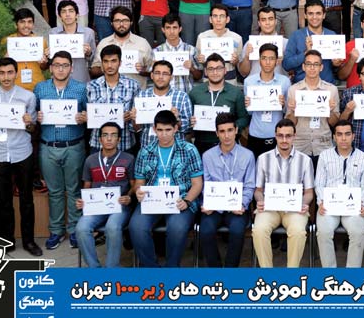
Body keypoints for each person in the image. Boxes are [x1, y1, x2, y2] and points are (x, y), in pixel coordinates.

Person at [0, 58, 41, 256]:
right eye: (2, 73)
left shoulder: (28, 97)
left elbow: (32, 129)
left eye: (9, 72)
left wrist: (29, 122)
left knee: (26, 199)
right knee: (3, 200)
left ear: (16, 73)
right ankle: (7, 241)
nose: (6, 77)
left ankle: (29, 241)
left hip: (22, 152)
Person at [130, 110, 203, 267]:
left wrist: (187, 201)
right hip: (152, 200)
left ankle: (172, 268)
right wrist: (138, 191)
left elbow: (197, 183)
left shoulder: (189, 150)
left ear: (176, 128)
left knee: (177, 228)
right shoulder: (145, 152)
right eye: (160, 130)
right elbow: (139, 182)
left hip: (180, 200)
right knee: (136, 227)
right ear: (154, 129)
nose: (164, 134)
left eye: (168, 130)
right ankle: (152, 269)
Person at [34, 50, 88, 250]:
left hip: (73, 146)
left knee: (74, 190)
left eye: (65, 65)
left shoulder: (81, 89)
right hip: (48, 146)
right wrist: (36, 117)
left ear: (71, 68)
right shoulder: (40, 88)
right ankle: (56, 231)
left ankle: (74, 229)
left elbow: (90, 114)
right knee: (54, 191)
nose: (61, 69)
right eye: (57, 65)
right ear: (50, 68)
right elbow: (31, 115)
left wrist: (85, 117)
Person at [252, 119, 315, 268]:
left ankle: (291, 273)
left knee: (298, 231)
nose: (284, 140)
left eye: (288, 136)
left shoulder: (305, 160)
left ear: (294, 136)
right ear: (275, 136)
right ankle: (267, 273)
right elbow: (258, 190)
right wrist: (260, 200)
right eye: (280, 135)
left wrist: (304, 203)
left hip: (294, 209)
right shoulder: (263, 158)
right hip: (270, 208)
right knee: (259, 230)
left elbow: (309, 192)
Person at [75, 122, 135, 267]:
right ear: (100, 139)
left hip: (119, 206)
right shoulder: (90, 160)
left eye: (113, 135)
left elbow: (134, 185)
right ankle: (94, 268)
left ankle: (111, 269)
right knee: (81, 228)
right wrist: (83, 201)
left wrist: (129, 197)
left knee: (112, 227)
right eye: (105, 135)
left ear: (119, 139)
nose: (109, 138)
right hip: (97, 206)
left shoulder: (128, 159)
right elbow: (87, 186)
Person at [200, 113, 256, 267]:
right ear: (216, 133)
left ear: (236, 130)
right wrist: (209, 203)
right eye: (222, 131)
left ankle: (230, 271)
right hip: (215, 208)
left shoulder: (247, 155)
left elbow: (249, 185)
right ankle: (216, 271)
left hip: (237, 206)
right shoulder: (207, 156)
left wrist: (242, 204)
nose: (226, 135)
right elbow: (205, 185)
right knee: (205, 230)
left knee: (237, 231)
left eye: (230, 130)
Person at [314, 120, 364, 267]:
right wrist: (321, 202)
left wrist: (362, 203)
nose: (343, 138)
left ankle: (351, 274)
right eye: (339, 134)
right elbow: (319, 183)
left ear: (353, 136)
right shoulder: (324, 156)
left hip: (353, 207)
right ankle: (330, 273)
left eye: (347, 134)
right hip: (329, 206)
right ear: (334, 137)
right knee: (324, 232)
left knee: (358, 233)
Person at [285, 49, 340, 168]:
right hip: (300, 145)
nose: (312, 68)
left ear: (321, 67)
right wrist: (293, 110)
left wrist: (330, 110)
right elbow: (290, 124)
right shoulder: (294, 90)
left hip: (323, 145)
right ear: (303, 67)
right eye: (309, 64)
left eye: (316, 64)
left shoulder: (331, 90)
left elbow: (334, 123)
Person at [189, 53, 249, 156]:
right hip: (202, 143)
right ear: (206, 72)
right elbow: (188, 118)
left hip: (228, 143)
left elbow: (244, 118)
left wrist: (231, 127)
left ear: (225, 70)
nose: (215, 72)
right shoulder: (195, 92)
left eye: (219, 68)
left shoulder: (236, 93)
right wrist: (191, 121)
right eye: (211, 69)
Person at [87, 44, 140, 154]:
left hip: (125, 144)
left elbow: (137, 124)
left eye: (113, 61)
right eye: (106, 61)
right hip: (98, 145)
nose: (109, 65)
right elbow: (87, 117)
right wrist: (86, 117)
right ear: (101, 63)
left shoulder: (133, 85)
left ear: (120, 63)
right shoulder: (91, 86)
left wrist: (132, 118)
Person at [243, 43, 291, 157]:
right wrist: (248, 105)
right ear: (259, 60)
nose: (268, 62)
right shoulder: (249, 81)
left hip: (277, 134)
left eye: (271, 58)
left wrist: (283, 104)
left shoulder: (284, 81)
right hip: (255, 133)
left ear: (277, 61)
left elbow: (287, 111)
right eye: (264, 58)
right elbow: (249, 113)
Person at [131, 60, 192, 149]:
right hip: (148, 148)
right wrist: (134, 120)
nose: (160, 77)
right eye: (157, 73)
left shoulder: (182, 97)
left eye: (165, 74)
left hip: (175, 149)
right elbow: (137, 129)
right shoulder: (141, 96)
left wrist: (176, 119)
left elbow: (187, 128)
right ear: (152, 75)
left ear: (171, 77)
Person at [92, 6, 153, 89]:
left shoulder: (142, 43)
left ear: (131, 22)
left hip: (136, 92)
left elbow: (153, 70)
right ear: (111, 23)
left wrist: (143, 70)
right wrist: (105, 68)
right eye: (117, 21)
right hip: (110, 93)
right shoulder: (104, 43)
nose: (121, 24)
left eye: (125, 21)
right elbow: (94, 70)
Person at [283, 0, 338, 84]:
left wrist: (336, 64)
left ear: (324, 15)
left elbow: (339, 69)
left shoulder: (332, 35)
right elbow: (286, 65)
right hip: (302, 86)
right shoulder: (296, 36)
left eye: (318, 13)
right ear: (305, 15)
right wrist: (306, 53)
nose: (314, 17)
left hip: (327, 85)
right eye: (310, 13)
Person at [47, 0, 95, 83]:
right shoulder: (53, 33)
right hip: (59, 79)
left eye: (71, 11)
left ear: (77, 15)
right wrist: (48, 55)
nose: (67, 14)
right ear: (60, 16)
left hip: (81, 77)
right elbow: (51, 60)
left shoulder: (88, 33)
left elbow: (94, 60)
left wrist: (89, 53)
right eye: (63, 12)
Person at [153, 12, 202, 93]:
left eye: (175, 27)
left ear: (180, 29)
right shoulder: (156, 52)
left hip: (186, 94)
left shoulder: (191, 50)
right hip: (164, 96)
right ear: (163, 30)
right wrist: (154, 68)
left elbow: (199, 77)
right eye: (168, 28)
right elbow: (151, 76)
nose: (171, 31)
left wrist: (192, 68)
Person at [195, 4, 243, 85]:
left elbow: (240, 65)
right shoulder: (202, 37)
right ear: (210, 19)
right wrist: (201, 60)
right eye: (215, 16)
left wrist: (236, 61)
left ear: (227, 19)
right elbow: (199, 63)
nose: (218, 19)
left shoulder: (237, 38)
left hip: (230, 80)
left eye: (222, 16)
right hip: (208, 80)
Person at [3, 8, 48, 92]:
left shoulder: (41, 41)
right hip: (14, 87)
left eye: (29, 22)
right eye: (22, 22)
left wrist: (44, 63)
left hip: (37, 86)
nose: (26, 25)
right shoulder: (7, 41)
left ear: (33, 24)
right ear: (16, 24)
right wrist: (4, 60)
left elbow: (44, 68)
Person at [238, 6, 289, 79]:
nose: (267, 23)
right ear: (259, 23)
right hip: (254, 83)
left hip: (279, 83)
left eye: (270, 19)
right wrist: (246, 57)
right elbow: (243, 72)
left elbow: (292, 72)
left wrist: (285, 61)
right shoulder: (250, 43)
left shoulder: (286, 43)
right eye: (263, 20)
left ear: (276, 21)